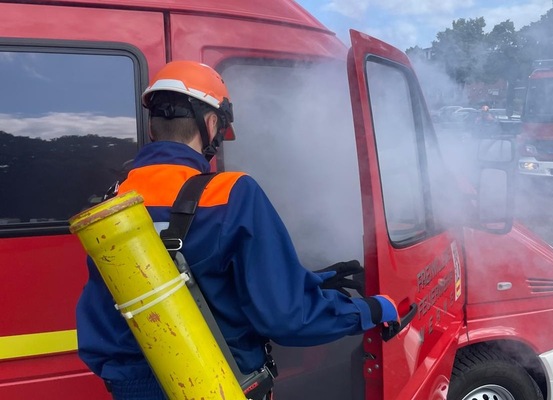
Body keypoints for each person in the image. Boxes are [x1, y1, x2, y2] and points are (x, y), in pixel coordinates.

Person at [75, 60, 399, 399]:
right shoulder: (231, 193)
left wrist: (315, 281)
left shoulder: (114, 201)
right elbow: (287, 319)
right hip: (217, 382)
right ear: (212, 123)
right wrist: (371, 309)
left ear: (154, 127)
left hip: (131, 389)